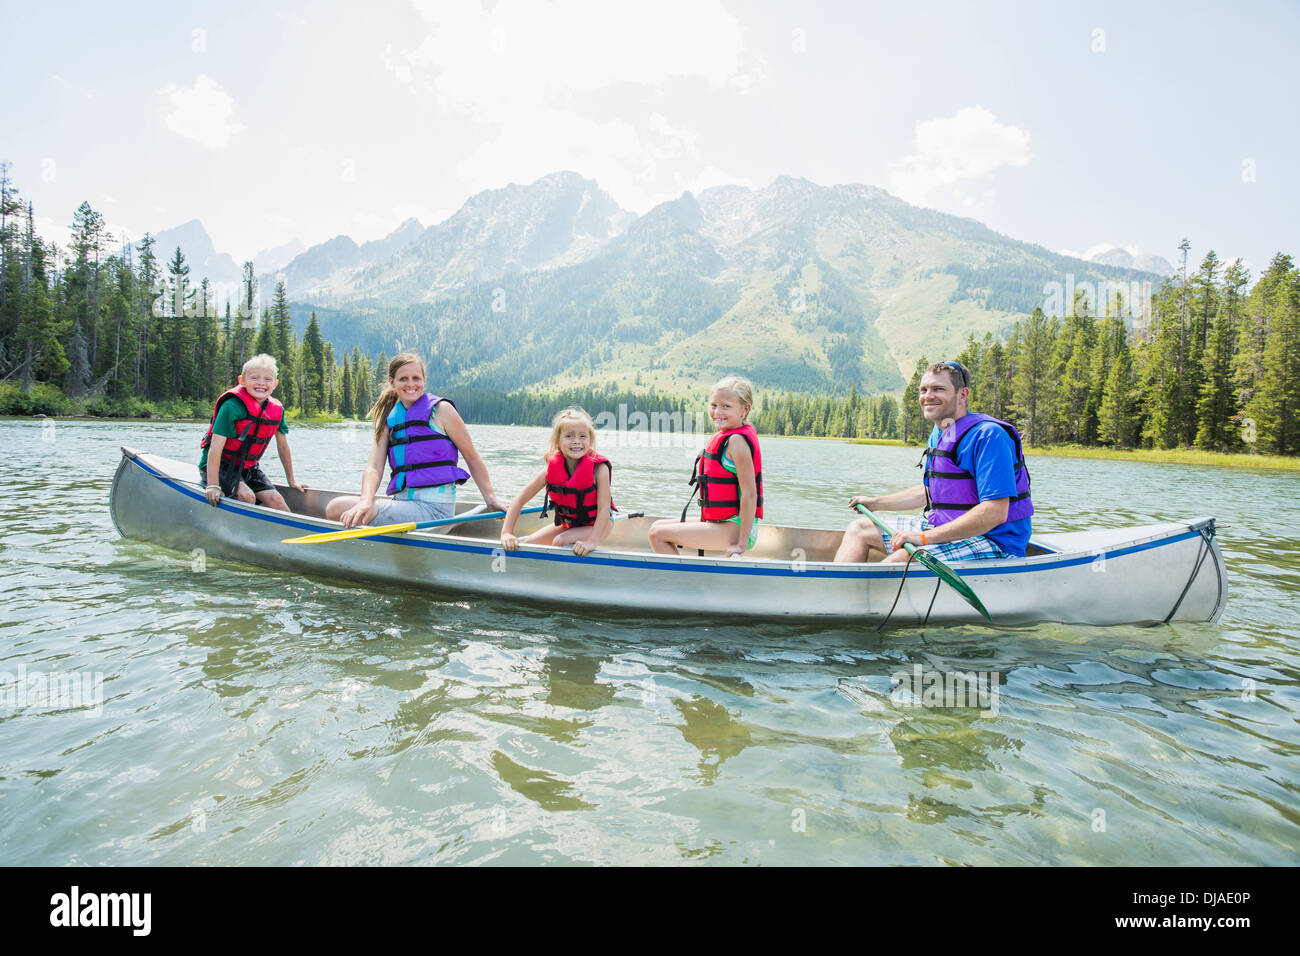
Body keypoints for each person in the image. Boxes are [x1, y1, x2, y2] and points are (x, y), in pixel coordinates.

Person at [834, 360, 1033, 563]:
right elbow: (930, 492)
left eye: (938, 389)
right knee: (859, 529)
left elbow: (995, 512)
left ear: (963, 394)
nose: (928, 396)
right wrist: (875, 503)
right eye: (924, 389)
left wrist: (922, 538)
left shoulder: (989, 436)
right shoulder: (941, 431)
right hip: (946, 528)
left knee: (903, 559)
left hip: (993, 540)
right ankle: (840, 592)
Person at [325, 353, 504, 528]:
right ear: (392, 382)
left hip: (435, 512)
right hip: (403, 504)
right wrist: (365, 500)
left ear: (424, 380)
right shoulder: (390, 419)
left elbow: (472, 457)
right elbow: (374, 467)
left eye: (416, 378)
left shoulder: (442, 410)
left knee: (338, 508)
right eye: (403, 379)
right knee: (336, 506)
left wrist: (490, 499)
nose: (411, 384)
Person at [649, 375, 762, 558]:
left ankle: (683, 584)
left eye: (726, 406)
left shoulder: (737, 442)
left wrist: (741, 543)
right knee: (656, 526)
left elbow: (750, 494)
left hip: (737, 526)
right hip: (726, 521)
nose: (718, 412)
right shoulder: (726, 437)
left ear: (745, 409)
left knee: (657, 535)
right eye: (714, 405)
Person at [500, 407, 615, 557]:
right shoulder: (549, 472)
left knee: (560, 541)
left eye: (582, 436)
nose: (576, 442)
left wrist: (592, 542)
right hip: (571, 525)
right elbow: (518, 501)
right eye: (569, 436)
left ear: (590, 440)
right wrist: (507, 532)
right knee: (527, 545)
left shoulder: (599, 469)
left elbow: (604, 510)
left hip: (600, 526)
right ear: (557, 441)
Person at [200, 353, 306, 511]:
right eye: (254, 378)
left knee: (276, 499)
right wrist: (213, 485)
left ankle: (294, 532)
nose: (261, 383)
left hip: (249, 467)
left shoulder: (276, 410)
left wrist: (291, 480)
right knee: (247, 496)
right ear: (242, 381)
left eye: (268, 379)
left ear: (275, 384)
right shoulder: (231, 406)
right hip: (221, 465)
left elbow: (283, 446)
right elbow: (215, 448)